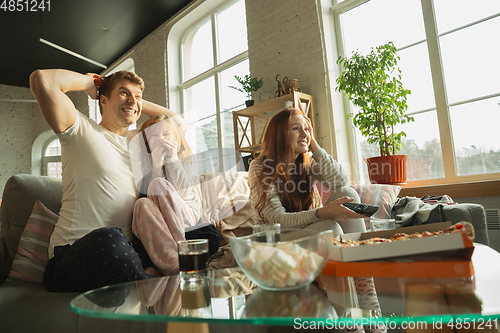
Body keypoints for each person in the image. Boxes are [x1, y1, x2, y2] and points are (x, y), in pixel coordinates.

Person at [29, 69, 187, 292]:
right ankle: (154, 284)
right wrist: (90, 83)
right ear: (103, 100)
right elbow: (42, 80)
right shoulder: (80, 129)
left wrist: (135, 101)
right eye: (123, 93)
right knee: (109, 236)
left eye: (138, 95)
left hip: (126, 253)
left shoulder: (138, 142)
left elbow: (176, 122)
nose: (132, 100)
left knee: (136, 243)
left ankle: (151, 281)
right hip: (75, 252)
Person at [248, 108, 366, 235]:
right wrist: (322, 212)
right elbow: (277, 220)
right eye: (296, 128)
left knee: (347, 193)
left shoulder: (307, 161)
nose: (304, 135)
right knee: (329, 228)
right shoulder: (259, 167)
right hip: (275, 237)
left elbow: (341, 182)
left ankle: (362, 252)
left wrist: (314, 144)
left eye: (306, 129)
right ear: (280, 135)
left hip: (305, 229)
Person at [130, 115, 204, 276]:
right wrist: (156, 168)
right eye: (154, 135)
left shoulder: (181, 159)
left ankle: (182, 253)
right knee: (141, 204)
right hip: (159, 218)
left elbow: (184, 192)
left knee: (157, 184)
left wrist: (172, 159)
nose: (160, 139)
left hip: (186, 214)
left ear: (175, 137)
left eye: (166, 134)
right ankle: (174, 265)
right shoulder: (142, 166)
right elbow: (149, 199)